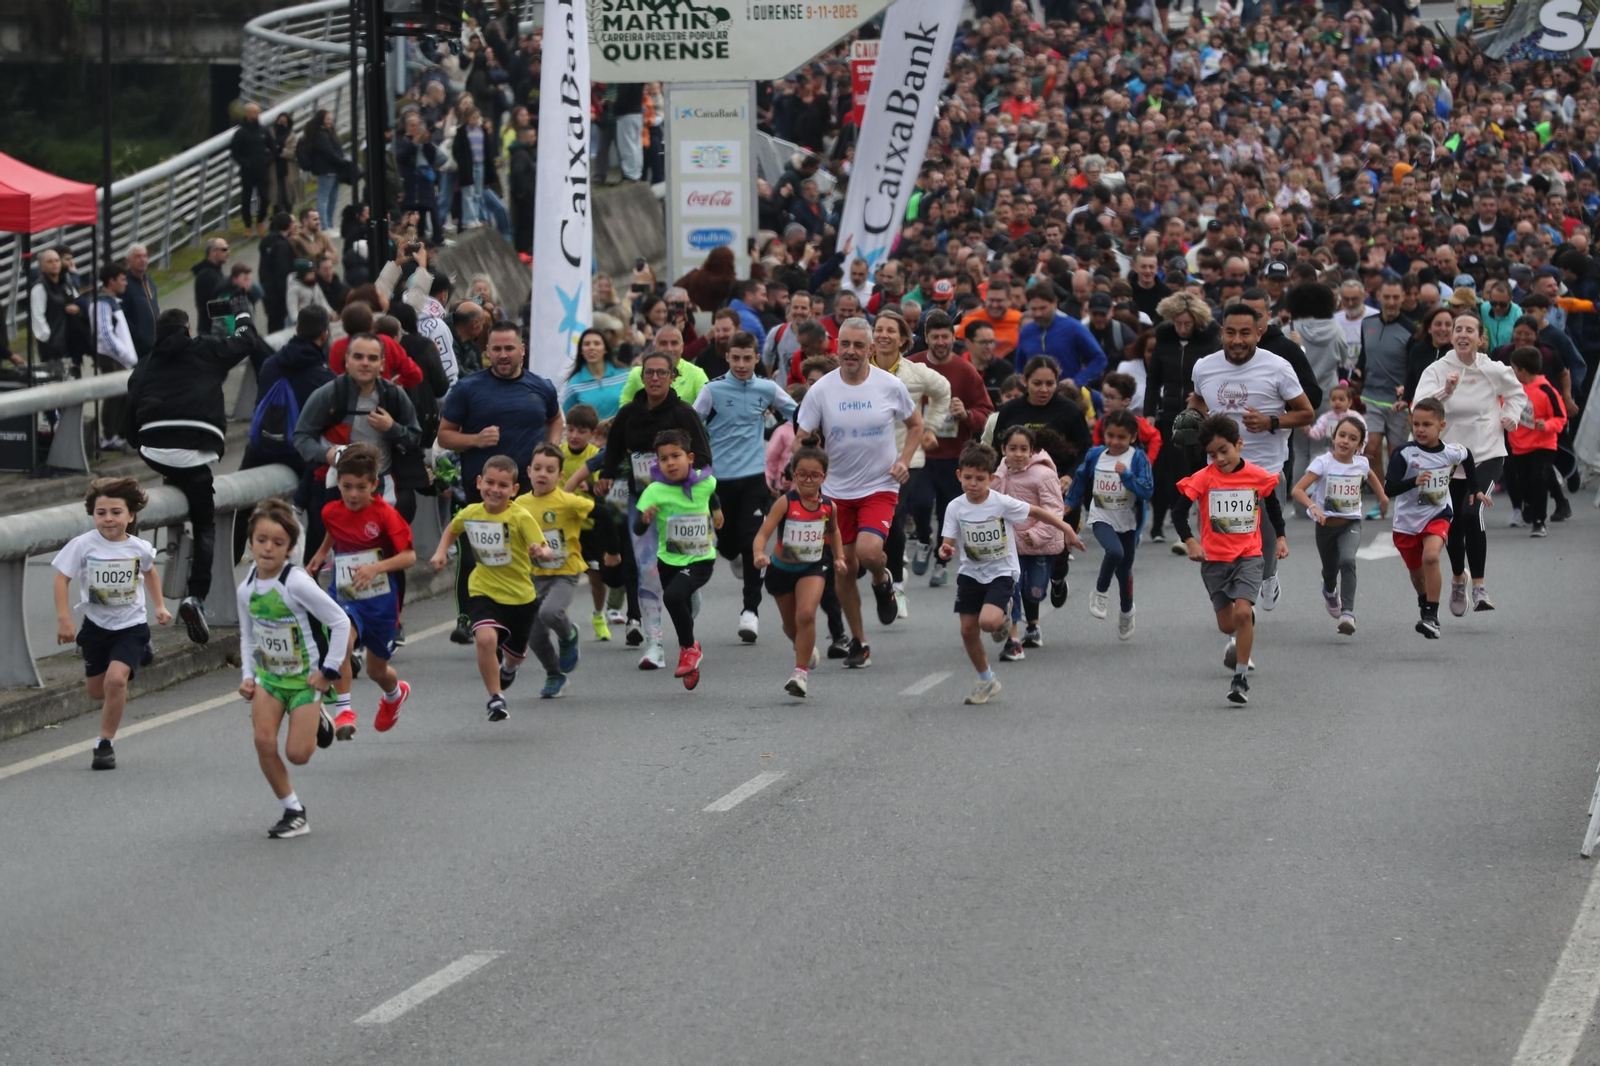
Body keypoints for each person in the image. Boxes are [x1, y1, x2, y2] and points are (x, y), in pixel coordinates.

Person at [123, 307, 266, 645]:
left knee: (177, 472)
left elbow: (129, 424)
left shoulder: (143, 366)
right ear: (187, 330)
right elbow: (247, 341)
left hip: (155, 449)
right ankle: (196, 595)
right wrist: (241, 314)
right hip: (199, 446)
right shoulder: (205, 348)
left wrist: (145, 443)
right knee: (205, 522)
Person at [795, 318, 924, 669]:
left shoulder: (889, 385)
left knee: (869, 554)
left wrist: (905, 460)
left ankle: (883, 581)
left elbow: (916, 426)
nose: (851, 352)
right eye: (845, 345)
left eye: (858, 346)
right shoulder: (821, 390)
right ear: (836, 349)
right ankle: (860, 641)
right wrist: (804, 477)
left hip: (879, 486)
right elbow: (800, 437)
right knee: (843, 569)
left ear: (870, 349)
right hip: (835, 492)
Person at [437, 323, 563, 644]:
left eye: (510, 348)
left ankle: (523, 615)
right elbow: (444, 435)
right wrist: (475, 439)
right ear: (487, 353)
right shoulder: (468, 388)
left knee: (527, 553)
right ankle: (468, 617)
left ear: (522, 349)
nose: (503, 355)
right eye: (497, 349)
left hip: (528, 491)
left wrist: (551, 451)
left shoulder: (541, 387)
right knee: (475, 554)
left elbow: (555, 419)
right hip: (485, 490)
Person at [1186, 303, 1314, 611]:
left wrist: (1272, 422)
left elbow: (1306, 413)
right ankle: (1242, 595)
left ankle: (1267, 574)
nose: (1237, 340)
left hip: (1265, 468)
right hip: (1220, 471)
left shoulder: (1278, 367)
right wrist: (1191, 416)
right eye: (1230, 332)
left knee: (1266, 535)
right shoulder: (1204, 366)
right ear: (1222, 333)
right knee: (1228, 536)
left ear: (1258, 333)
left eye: (1245, 333)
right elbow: (1199, 399)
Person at [937, 441, 1082, 707]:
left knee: (989, 624)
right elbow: (947, 540)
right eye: (967, 477)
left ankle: (1004, 610)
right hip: (970, 573)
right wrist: (945, 550)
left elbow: (1038, 511)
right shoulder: (955, 507)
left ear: (991, 479)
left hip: (1001, 572)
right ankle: (986, 678)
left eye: (980, 479)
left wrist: (1067, 529)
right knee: (968, 631)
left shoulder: (1001, 503)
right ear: (959, 475)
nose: (973, 483)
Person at [237, 500, 348, 839]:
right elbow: (248, 635)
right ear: (251, 541)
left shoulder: (296, 582)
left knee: (297, 755)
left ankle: (319, 719)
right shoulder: (247, 588)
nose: (268, 548)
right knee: (263, 741)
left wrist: (328, 672)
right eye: (261, 540)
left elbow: (340, 622)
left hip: (305, 680)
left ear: (289, 548)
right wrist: (247, 675)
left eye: (278, 542)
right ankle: (293, 810)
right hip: (270, 679)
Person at [597, 350, 713, 669]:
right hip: (643, 500)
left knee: (679, 577)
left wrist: (683, 483)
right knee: (648, 571)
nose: (655, 379)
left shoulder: (684, 413)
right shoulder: (629, 414)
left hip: (679, 506)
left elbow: (703, 457)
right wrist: (607, 476)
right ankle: (655, 644)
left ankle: (689, 598)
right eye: (649, 373)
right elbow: (614, 449)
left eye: (662, 373)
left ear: (673, 377)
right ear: (642, 376)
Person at [52, 478, 171, 771]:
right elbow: (61, 579)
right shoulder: (82, 545)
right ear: (93, 515)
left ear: (130, 516)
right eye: (101, 512)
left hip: (131, 625)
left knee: (115, 681)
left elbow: (150, 573)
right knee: (96, 691)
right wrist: (64, 618)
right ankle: (139, 655)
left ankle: (104, 744)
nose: (108, 519)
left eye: (116, 512)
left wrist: (159, 606)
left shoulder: (139, 547)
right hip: (95, 627)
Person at [1413, 313, 1527, 614]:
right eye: (1457, 329)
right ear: (1451, 337)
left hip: (1487, 453)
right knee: (1452, 521)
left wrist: (1511, 416)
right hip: (1447, 457)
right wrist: (1446, 392)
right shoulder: (1438, 369)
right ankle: (1457, 578)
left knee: (1471, 511)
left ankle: (1479, 586)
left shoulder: (1493, 369)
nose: (1463, 334)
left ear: (1481, 337)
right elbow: (1419, 407)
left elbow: (1517, 393)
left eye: (1469, 330)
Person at [1172, 415, 1288, 706]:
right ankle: (1241, 621)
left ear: (1239, 444)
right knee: (1227, 625)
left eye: (1224, 451)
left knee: (1242, 614)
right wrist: (1191, 543)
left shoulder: (1257, 476)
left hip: (1249, 555)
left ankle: (1240, 679)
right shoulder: (1203, 478)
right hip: (1214, 561)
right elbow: (1178, 512)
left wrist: (1282, 538)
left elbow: (1273, 507)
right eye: (1212, 454)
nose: (1219, 459)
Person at [428, 454, 555, 721]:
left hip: (520, 597)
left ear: (514, 490)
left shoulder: (520, 516)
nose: (495, 490)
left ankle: (509, 667)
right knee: (485, 639)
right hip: (483, 590)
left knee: (516, 656)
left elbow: (547, 550)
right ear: (478, 482)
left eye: (502, 485)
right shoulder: (471, 512)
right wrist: (441, 552)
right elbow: (453, 527)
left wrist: (540, 552)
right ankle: (495, 698)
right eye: (490, 483)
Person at [303, 445, 415, 740]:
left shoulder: (385, 515)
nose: (353, 495)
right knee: (343, 638)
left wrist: (376, 568)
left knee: (378, 670)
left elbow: (409, 557)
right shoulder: (330, 511)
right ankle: (344, 710)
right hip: (345, 593)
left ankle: (395, 694)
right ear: (337, 482)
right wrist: (321, 553)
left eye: (361, 488)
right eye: (347, 487)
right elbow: (334, 529)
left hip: (380, 601)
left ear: (374, 485)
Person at [692, 330, 797, 642]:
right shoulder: (712, 391)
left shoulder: (766, 389)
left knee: (754, 542)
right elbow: (694, 426)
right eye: (735, 358)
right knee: (726, 544)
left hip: (754, 477)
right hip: (717, 479)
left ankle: (750, 611)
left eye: (747, 358)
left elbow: (798, 413)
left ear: (756, 359)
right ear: (727, 358)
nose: (741, 364)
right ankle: (734, 554)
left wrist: (808, 438)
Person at [991, 354, 1092, 605]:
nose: (1044, 389)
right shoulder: (1012, 410)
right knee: (1023, 546)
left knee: (1057, 546)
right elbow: (996, 450)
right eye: (1037, 383)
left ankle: (1057, 578)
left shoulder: (1069, 410)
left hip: (1060, 486)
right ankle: (1026, 602)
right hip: (1019, 488)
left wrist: (1070, 475)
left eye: (1050, 383)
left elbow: (1085, 451)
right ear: (1025, 381)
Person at [1383, 398, 1485, 640]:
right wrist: (1413, 482)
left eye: (1427, 424)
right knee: (1418, 576)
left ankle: (1432, 616)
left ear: (1442, 425)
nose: (1420, 429)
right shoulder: (1404, 454)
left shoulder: (1450, 452)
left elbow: (1467, 455)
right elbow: (1389, 489)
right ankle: (1424, 600)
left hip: (1438, 513)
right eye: (1416, 423)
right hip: (1407, 522)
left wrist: (1474, 488)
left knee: (1431, 556)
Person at [868, 310, 950, 612]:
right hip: (865, 460)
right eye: (878, 329)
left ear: (904, 339)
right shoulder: (860, 370)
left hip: (907, 458)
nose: (883, 335)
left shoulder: (915, 373)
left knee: (894, 519)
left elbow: (942, 392)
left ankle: (897, 588)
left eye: (891, 330)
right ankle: (877, 564)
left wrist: (930, 428)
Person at [751, 445, 847, 698]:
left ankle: (799, 674)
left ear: (824, 477)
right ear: (794, 475)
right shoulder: (786, 502)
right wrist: (759, 554)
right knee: (791, 625)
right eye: (802, 474)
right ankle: (802, 645)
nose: (808, 480)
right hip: (781, 570)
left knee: (806, 615)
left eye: (814, 475)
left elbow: (834, 531)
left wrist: (839, 557)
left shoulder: (828, 507)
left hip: (812, 567)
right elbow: (763, 532)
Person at [909, 309, 994, 592]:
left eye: (946, 337)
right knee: (919, 503)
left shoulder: (965, 371)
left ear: (953, 337)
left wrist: (967, 414)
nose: (941, 342)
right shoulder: (911, 366)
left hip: (954, 456)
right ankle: (923, 539)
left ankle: (941, 563)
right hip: (919, 453)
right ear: (926, 338)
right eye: (935, 337)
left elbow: (986, 413)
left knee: (949, 513)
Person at [633, 429, 721, 690]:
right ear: (657, 463)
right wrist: (644, 520)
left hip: (700, 559)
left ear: (690, 457)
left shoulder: (706, 482)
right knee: (679, 602)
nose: (670, 462)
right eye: (663, 459)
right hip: (669, 561)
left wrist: (717, 512)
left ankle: (689, 650)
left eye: (676, 456)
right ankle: (691, 654)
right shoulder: (654, 491)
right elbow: (637, 529)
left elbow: (712, 495)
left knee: (672, 598)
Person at [1291, 415, 1389, 635]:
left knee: (1347, 560)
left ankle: (1348, 613)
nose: (1345, 441)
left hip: (1350, 523)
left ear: (1359, 445)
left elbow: (1371, 475)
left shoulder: (1361, 463)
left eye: (1352, 438)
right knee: (1329, 570)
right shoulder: (1323, 462)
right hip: (1325, 526)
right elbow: (1297, 490)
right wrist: (1312, 507)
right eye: (1342, 435)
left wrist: (1382, 497)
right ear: (1333, 437)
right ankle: (1329, 590)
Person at [513, 443, 595, 698]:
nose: (542, 474)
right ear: (528, 471)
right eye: (537, 468)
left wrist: (612, 549)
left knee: (551, 613)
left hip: (565, 572)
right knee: (535, 636)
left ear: (560, 476)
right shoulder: (519, 504)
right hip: (534, 576)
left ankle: (568, 635)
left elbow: (598, 514)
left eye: (550, 470)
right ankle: (554, 674)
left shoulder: (568, 501)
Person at [1065, 409, 1153, 639]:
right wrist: (1069, 503)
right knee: (1114, 552)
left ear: (1133, 437)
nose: (1114, 442)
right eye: (1110, 435)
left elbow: (1146, 490)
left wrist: (1127, 477)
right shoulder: (1095, 455)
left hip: (1128, 522)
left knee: (1124, 573)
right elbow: (1081, 478)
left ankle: (1126, 611)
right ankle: (1100, 591)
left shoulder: (1137, 458)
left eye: (1121, 438)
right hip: (1101, 517)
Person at [1145, 292, 1218, 546]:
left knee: (1200, 467)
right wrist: (1149, 413)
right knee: (1173, 471)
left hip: (1200, 416)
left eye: (1188, 324)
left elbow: (1218, 372)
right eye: (1178, 323)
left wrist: (1203, 395)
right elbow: (1153, 379)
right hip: (1171, 416)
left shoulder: (1210, 338)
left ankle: (1206, 523)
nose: (1183, 328)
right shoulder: (1164, 337)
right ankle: (1176, 526)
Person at [993, 426, 1064, 660]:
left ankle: (1033, 625)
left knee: (1033, 591)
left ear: (1032, 451)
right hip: (1010, 544)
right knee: (1013, 587)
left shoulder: (1044, 475)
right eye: (1012, 448)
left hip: (1038, 545)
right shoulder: (1001, 472)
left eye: (1024, 449)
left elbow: (1054, 510)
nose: (1018, 454)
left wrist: (1035, 534)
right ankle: (1013, 636)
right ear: (1003, 449)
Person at [1504, 347, 1568, 538]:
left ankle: (1539, 522)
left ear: (1523, 370)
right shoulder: (1512, 390)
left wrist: (1546, 425)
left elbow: (1560, 418)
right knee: (1522, 482)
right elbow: (1502, 408)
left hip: (1544, 445)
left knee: (1538, 479)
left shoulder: (1546, 390)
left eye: (1513, 368)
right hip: (1519, 446)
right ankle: (1529, 506)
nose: (1512, 371)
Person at [1014, 282, 1108, 384]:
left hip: (1066, 395)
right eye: (1034, 309)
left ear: (1054, 304)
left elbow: (1099, 359)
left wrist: (1077, 381)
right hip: (1034, 396)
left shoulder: (1073, 328)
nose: (1038, 314)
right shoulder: (1026, 332)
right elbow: (1020, 367)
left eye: (1042, 308)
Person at [93, 263, 138, 450]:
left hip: (120, 357)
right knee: (113, 396)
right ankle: (109, 436)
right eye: (122, 279)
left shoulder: (112, 301)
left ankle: (118, 433)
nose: (125, 283)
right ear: (111, 281)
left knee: (122, 396)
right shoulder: (103, 303)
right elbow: (104, 332)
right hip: (112, 358)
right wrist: (123, 354)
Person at [230, 102, 275, 237]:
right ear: (247, 114)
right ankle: (248, 226)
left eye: (258, 112)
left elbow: (273, 148)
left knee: (265, 198)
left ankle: (260, 222)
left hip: (262, 171)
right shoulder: (240, 133)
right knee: (246, 199)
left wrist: (267, 161)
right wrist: (246, 163)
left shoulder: (264, 131)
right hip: (247, 172)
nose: (257, 115)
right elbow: (235, 153)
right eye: (254, 112)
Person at [565, 328, 629, 419]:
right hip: (592, 433)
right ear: (581, 351)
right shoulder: (574, 385)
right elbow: (567, 419)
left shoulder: (624, 375)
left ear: (605, 349)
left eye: (597, 343)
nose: (591, 347)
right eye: (587, 344)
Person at [258, 213, 296, 333]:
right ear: (289, 225)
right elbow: (283, 272)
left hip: (267, 292)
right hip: (280, 295)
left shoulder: (266, 241)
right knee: (281, 328)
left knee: (273, 326)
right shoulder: (282, 245)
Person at [122, 244, 160, 361]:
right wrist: (139, 337)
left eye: (145, 256)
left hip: (155, 344)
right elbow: (123, 317)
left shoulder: (149, 281)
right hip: (137, 348)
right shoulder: (124, 285)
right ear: (128, 261)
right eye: (138, 256)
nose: (143, 260)